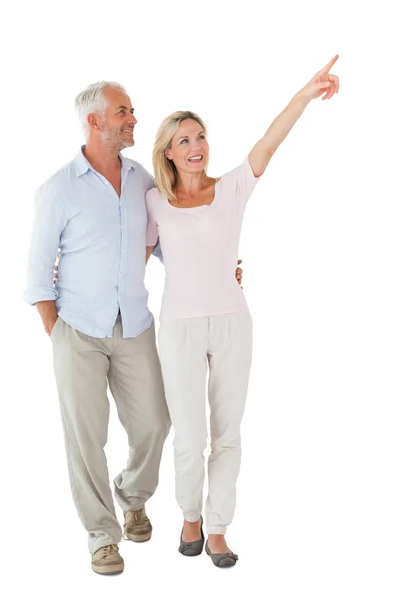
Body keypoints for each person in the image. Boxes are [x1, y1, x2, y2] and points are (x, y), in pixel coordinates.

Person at [23, 81, 244, 575]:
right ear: (95, 121)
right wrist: (58, 332)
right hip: (77, 329)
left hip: (136, 325)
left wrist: (220, 266)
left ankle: (132, 495)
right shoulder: (59, 189)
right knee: (86, 439)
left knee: (156, 424)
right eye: (123, 112)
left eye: (132, 111)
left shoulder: (144, 180)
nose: (133, 120)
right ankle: (102, 535)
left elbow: (172, 239)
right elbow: (38, 276)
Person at [145, 56, 339, 568]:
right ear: (167, 151)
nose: (195, 146)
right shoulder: (154, 203)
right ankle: (189, 516)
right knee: (189, 435)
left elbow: (269, 143)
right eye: (183, 139)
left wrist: (304, 94)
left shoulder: (230, 187)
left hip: (232, 322)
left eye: (200, 136)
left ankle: (218, 529)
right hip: (180, 329)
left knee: (228, 434)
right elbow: (130, 257)